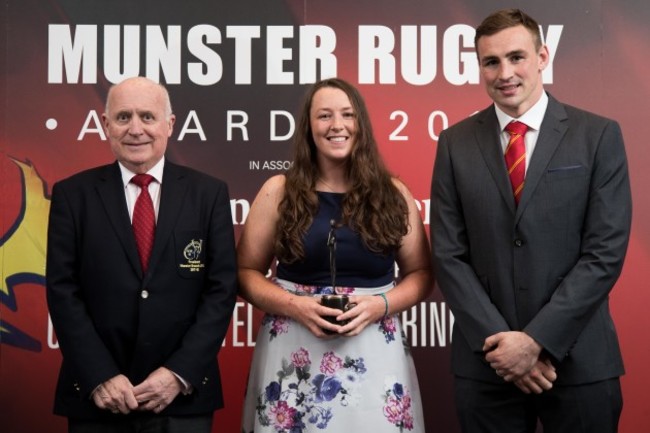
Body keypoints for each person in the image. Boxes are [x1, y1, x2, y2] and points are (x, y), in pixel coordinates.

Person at [430, 8, 632, 433]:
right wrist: (504, 349)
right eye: (491, 62)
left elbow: (604, 254)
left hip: (579, 361)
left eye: (516, 57)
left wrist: (536, 341)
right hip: (488, 365)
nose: (505, 73)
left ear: (542, 56)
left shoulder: (597, 136)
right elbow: (448, 255)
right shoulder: (453, 144)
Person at [238, 78, 433, 432]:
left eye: (347, 114)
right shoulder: (278, 192)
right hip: (292, 349)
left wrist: (380, 305)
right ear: (308, 127)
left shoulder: (394, 194)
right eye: (324, 116)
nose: (337, 125)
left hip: (374, 346)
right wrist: (295, 305)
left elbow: (421, 273)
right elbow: (245, 272)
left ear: (361, 123)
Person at [46, 76, 238, 433]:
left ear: (170, 124)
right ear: (106, 125)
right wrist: (99, 375)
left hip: (182, 398)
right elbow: (62, 290)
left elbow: (221, 289)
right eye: (123, 117)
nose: (136, 129)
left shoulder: (208, 193)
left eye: (147, 117)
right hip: (97, 398)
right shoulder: (73, 195)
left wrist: (178, 373)